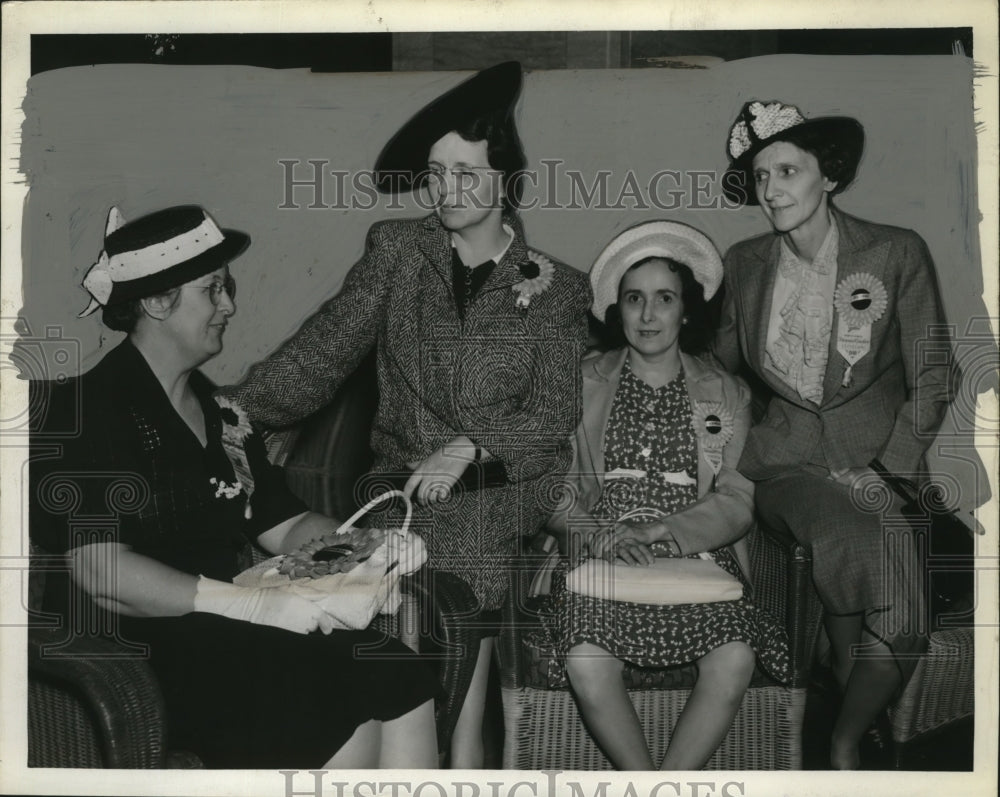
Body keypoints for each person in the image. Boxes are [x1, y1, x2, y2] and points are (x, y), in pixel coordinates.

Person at [217, 62, 591, 767]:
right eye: (437, 173)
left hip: (507, 484)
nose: (447, 191)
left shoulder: (558, 289)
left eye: (467, 175)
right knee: (395, 590)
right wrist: (231, 409)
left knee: (460, 581)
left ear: (506, 181)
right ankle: (419, 749)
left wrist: (472, 445)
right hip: (400, 484)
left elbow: (552, 415)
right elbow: (324, 350)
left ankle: (462, 756)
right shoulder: (397, 250)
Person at [30, 205, 439, 769]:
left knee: (387, 661)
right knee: (313, 683)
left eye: (227, 288)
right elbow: (101, 571)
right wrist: (248, 604)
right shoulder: (84, 411)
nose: (230, 306)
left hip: (227, 626)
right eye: (212, 290)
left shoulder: (222, 416)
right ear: (155, 302)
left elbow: (285, 524)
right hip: (128, 645)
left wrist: (371, 545)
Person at [715, 100, 956, 769]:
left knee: (903, 619)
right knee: (850, 535)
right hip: (787, 467)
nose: (772, 191)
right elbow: (721, 368)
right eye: (761, 177)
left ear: (831, 177)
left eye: (788, 170)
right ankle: (848, 742)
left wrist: (888, 468)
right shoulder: (745, 262)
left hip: (881, 466)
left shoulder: (894, 251)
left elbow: (934, 370)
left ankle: (843, 720)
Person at [530, 221, 790, 771]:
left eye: (664, 299)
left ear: (685, 310)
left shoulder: (727, 393)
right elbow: (547, 485)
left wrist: (661, 532)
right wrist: (595, 533)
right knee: (585, 656)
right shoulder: (578, 381)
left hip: (694, 548)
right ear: (618, 309)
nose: (648, 316)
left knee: (736, 655)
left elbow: (737, 498)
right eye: (634, 300)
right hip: (598, 545)